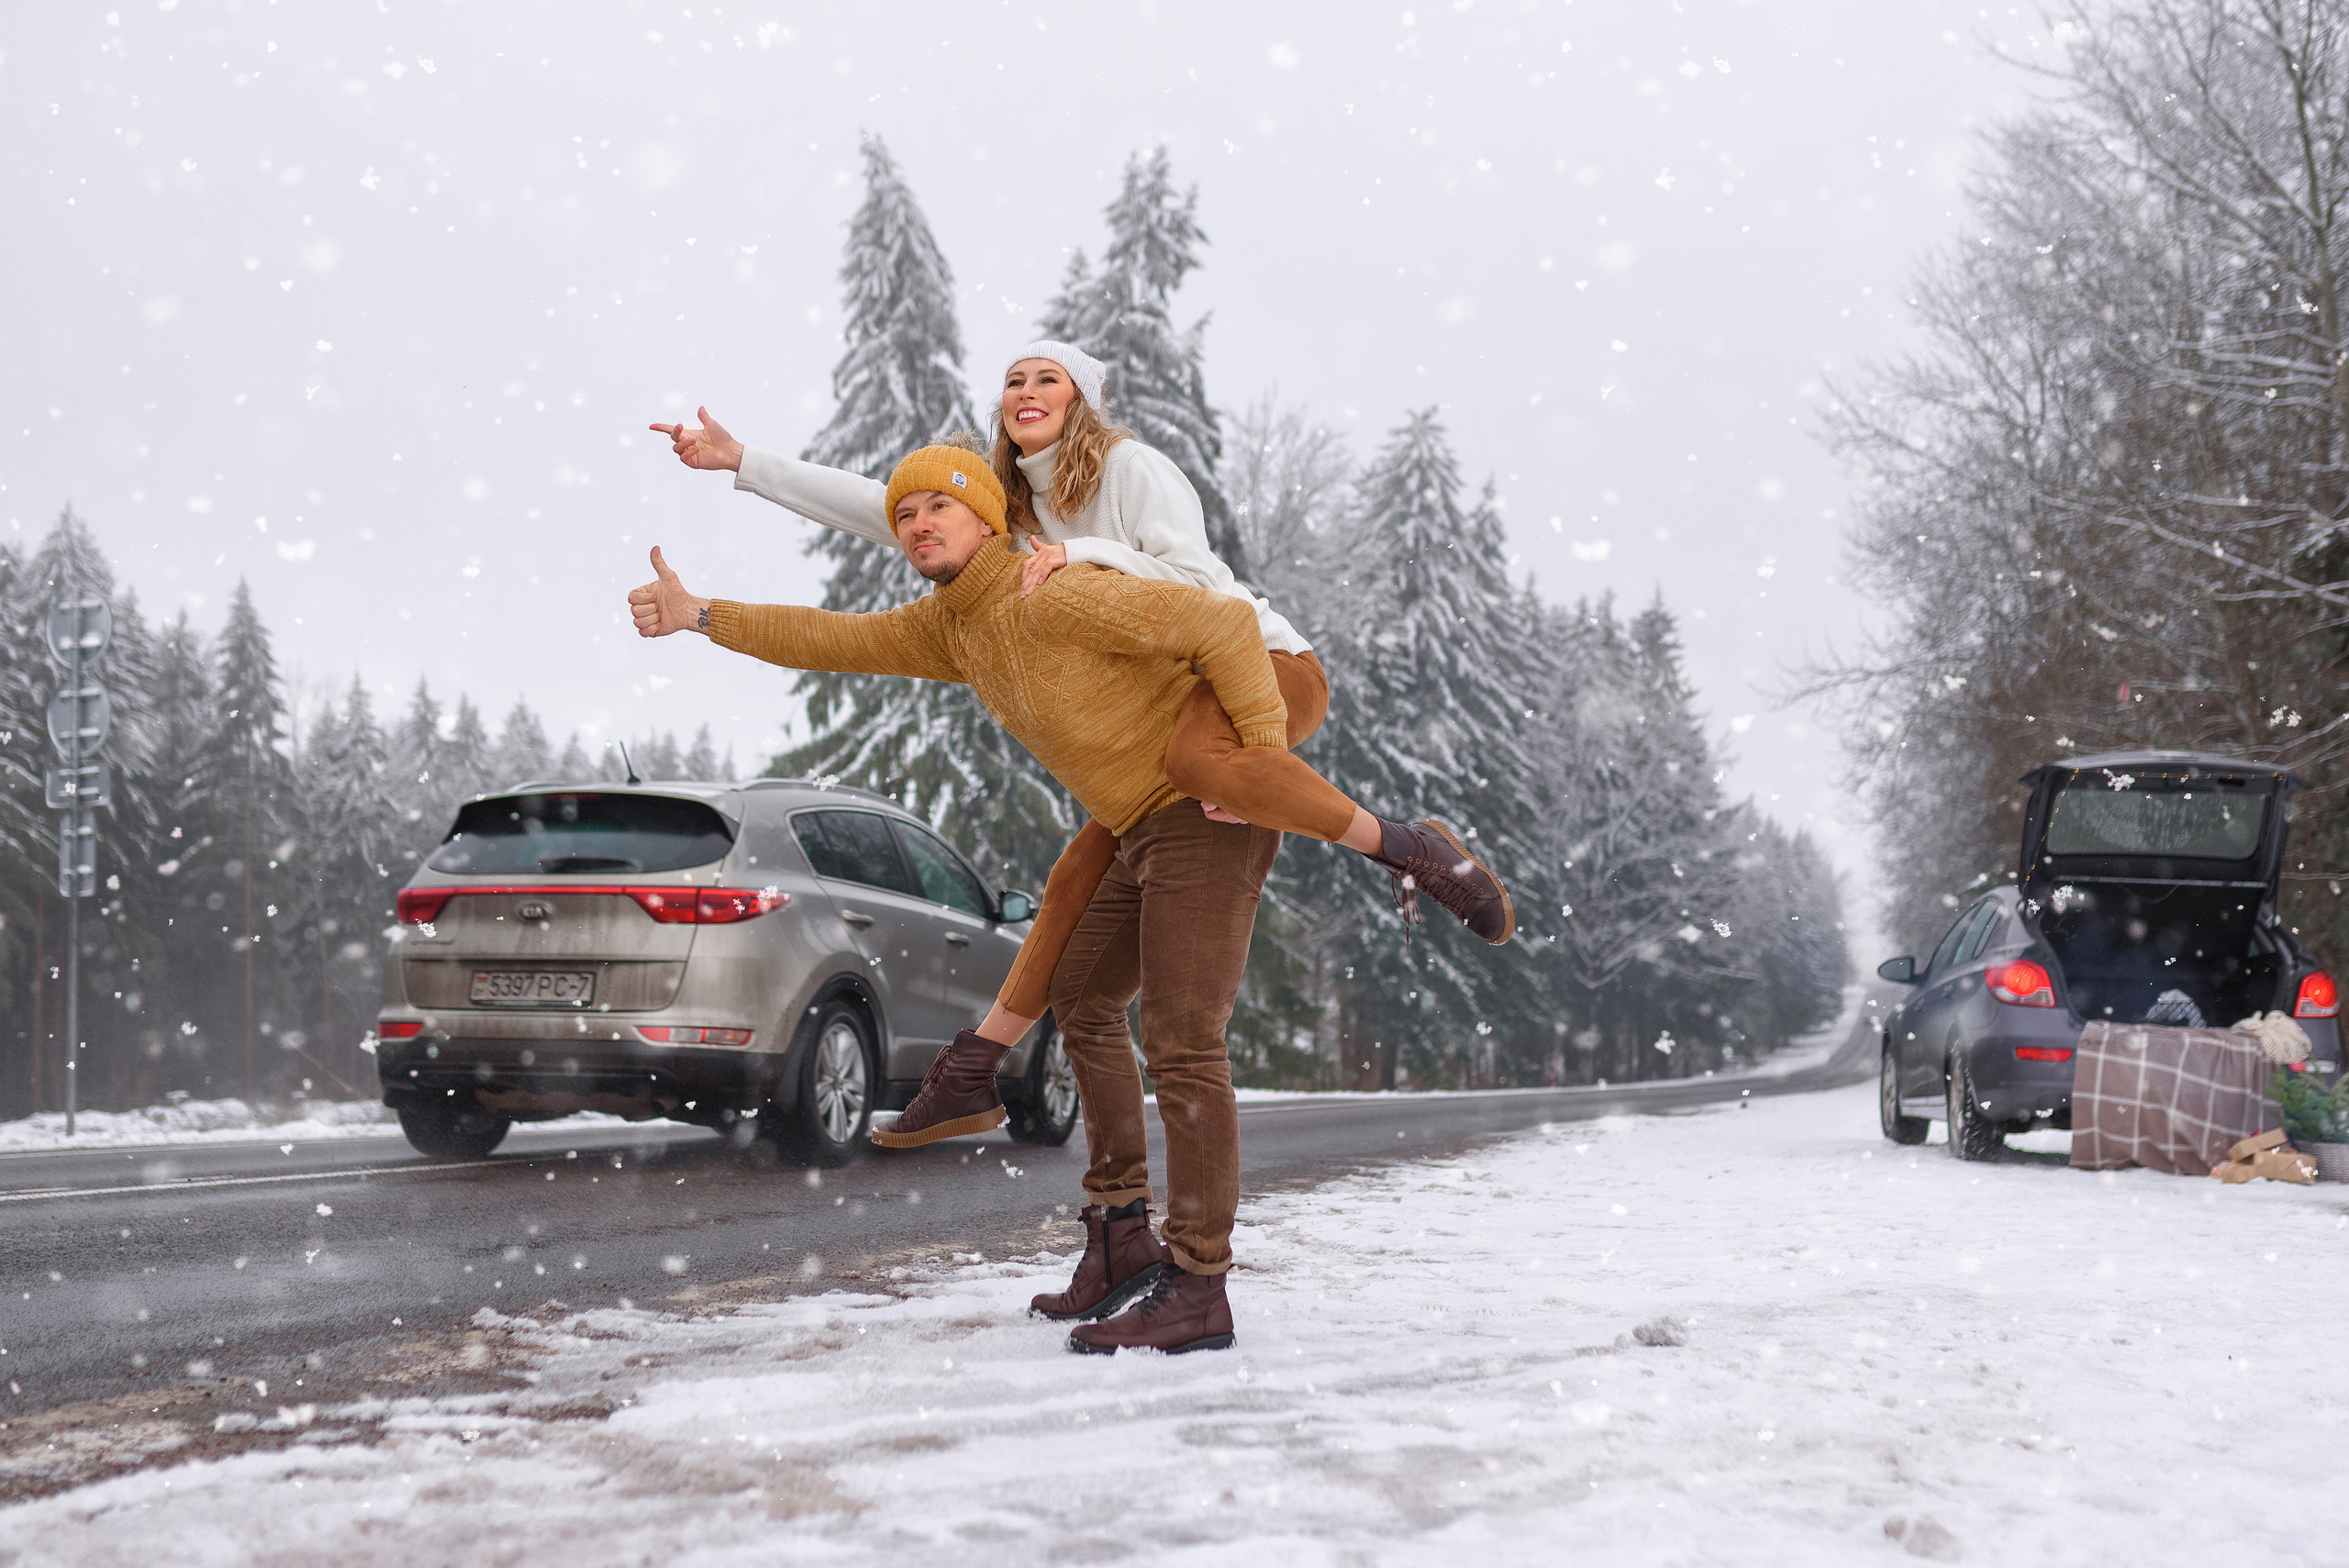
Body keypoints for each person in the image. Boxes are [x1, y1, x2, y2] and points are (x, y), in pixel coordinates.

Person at [649, 343, 1510, 1151]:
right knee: (1074, 878)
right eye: (1014, 381)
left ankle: (1413, 851)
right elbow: (887, 508)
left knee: (1202, 768)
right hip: (1169, 719)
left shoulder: (1128, 471)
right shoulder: (1005, 509)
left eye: (1047, 379)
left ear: (1084, 401)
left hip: (1263, 664)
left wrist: (1086, 563)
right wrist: (744, 465)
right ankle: (979, 1066)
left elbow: (1208, 594)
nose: (1025, 392)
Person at [628, 441, 1307, 1351]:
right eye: (904, 515)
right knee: (1084, 1001)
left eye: (937, 508)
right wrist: (698, 612)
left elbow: (1223, 623)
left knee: (1183, 1039)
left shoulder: (1050, 586)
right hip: (1131, 822)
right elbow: (825, 635)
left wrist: (1258, 758)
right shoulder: (948, 625)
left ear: (989, 517)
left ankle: (1198, 1284)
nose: (916, 525)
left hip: (1204, 812)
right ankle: (1120, 1236)